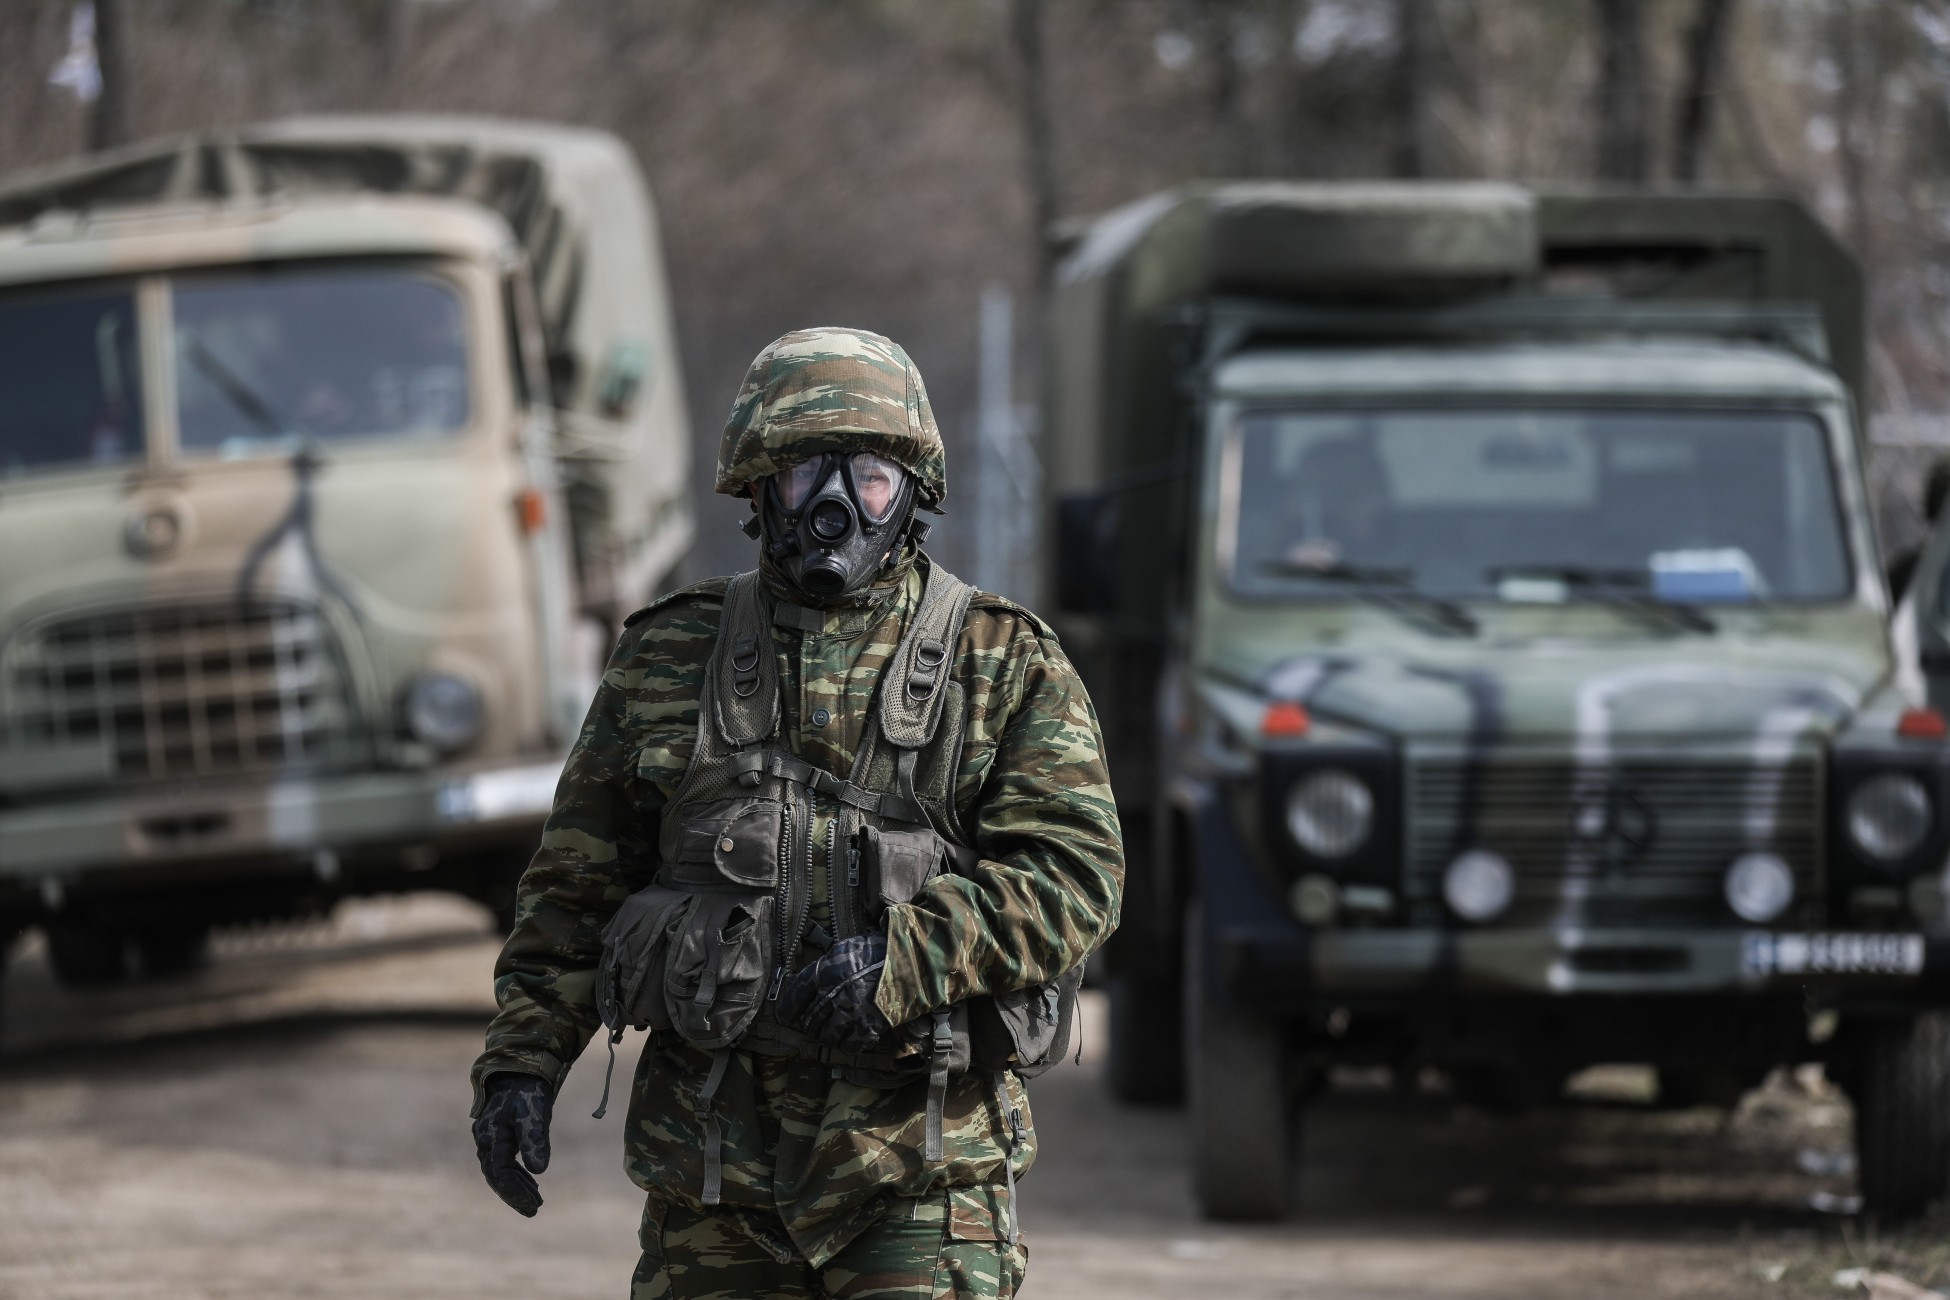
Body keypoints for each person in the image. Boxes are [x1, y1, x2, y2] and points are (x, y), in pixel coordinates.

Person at [469, 326, 1124, 1299]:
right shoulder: (669, 657)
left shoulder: (1002, 660)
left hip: (921, 1177)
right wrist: (522, 1060)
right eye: (806, 471)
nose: (833, 503)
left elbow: (1077, 878)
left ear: (913, 494)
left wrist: (907, 957)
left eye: (867, 474)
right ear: (758, 484)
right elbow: (575, 887)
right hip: (713, 1175)